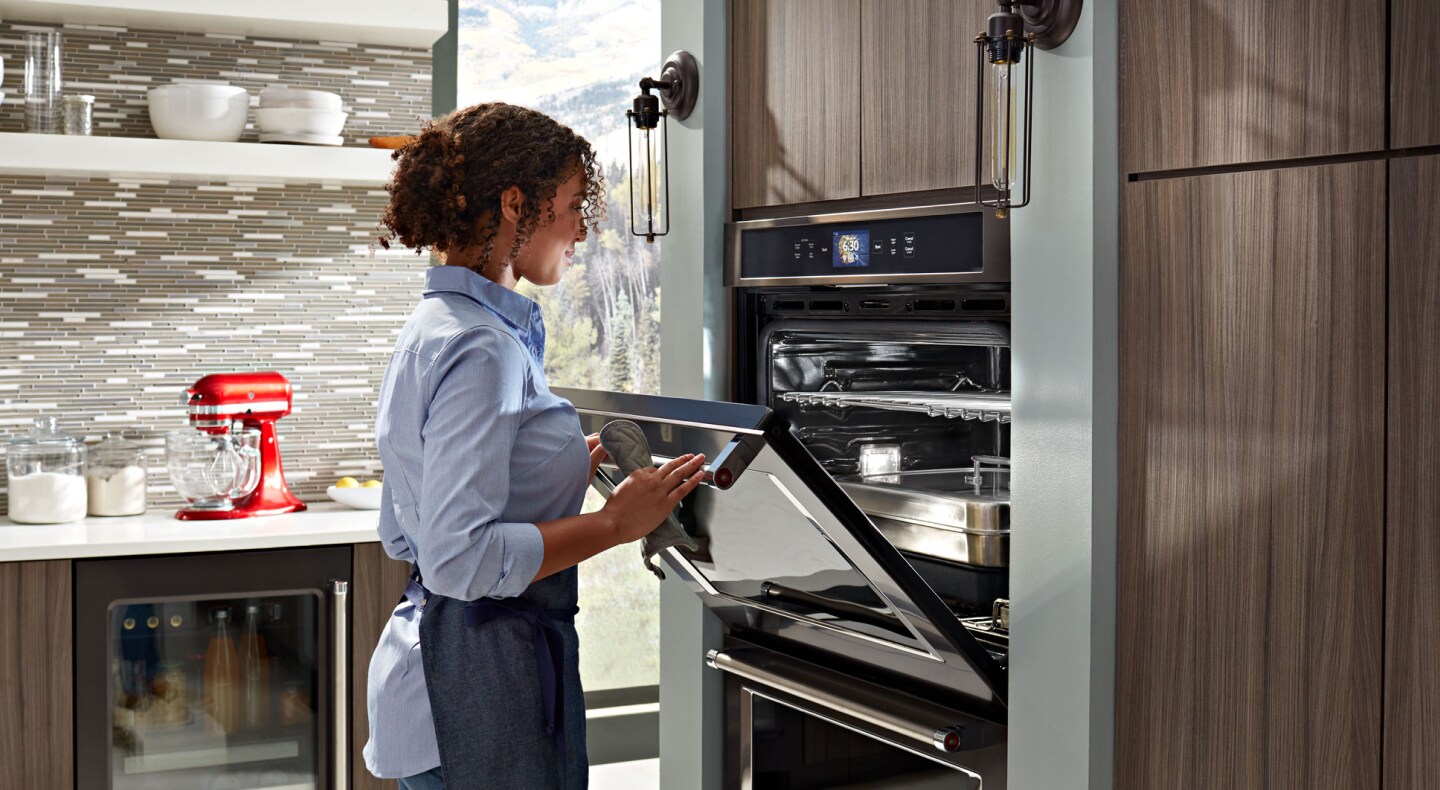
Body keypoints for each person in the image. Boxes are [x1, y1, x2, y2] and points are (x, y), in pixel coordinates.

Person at [364, 102, 705, 790]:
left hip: (442, 680)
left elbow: (406, 533)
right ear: (517, 204)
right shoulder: (482, 348)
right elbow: (459, 558)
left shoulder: (435, 326)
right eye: (574, 204)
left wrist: (551, 464)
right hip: (471, 694)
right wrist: (615, 524)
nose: (582, 228)